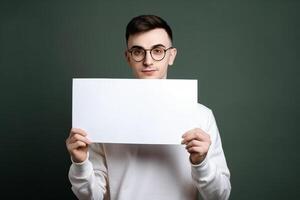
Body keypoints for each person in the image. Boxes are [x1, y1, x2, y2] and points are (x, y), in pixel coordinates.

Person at [66, 15, 231, 200]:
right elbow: (92, 197)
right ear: (128, 57)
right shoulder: (102, 115)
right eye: (138, 51)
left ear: (171, 55)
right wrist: (80, 163)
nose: (148, 60)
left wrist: (201, 163)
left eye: (158, 50)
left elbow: (220, 196)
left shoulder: (202, 116)